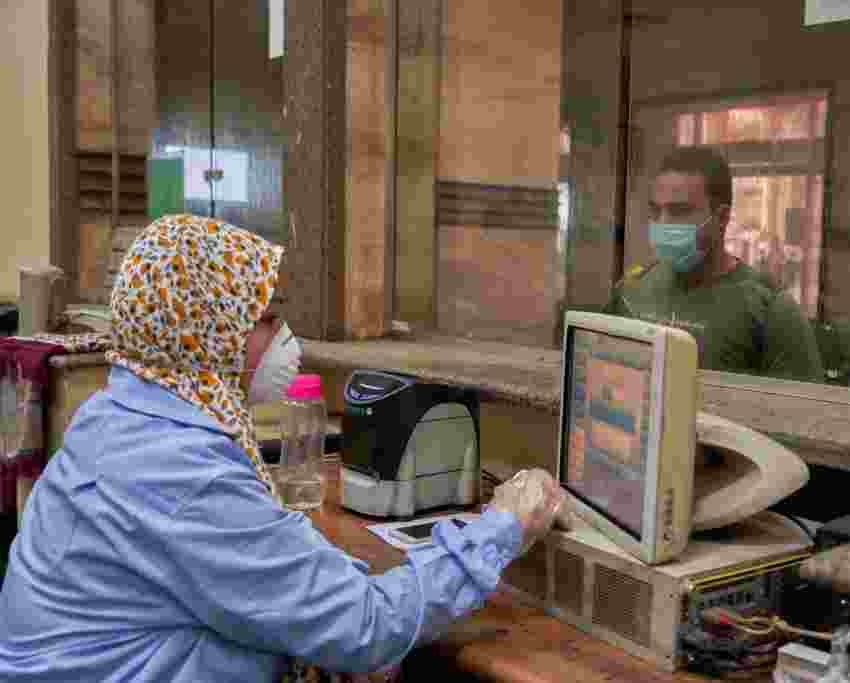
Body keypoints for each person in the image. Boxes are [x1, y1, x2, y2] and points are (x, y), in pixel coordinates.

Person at [0, 215, 568, 682]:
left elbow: (250, 584)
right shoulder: (180, 472)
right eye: (265, 320)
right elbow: (365, 626)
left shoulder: (119, 414)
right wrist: (502, 527)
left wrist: (321, 628)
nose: (285, 338)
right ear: (203, 332)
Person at [604, 147, 824, 382]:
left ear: (721, 218)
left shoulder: (771, 311)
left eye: (680, 211)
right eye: (656, 211)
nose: (663, 224)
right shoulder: (630, 292)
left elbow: (803, 414)